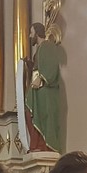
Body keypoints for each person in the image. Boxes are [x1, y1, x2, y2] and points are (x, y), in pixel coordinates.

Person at [24, 22, 62, 153]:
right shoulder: (40, 49)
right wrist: (30, 65)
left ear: (37, 33)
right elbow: (38, 66)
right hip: (37, 89)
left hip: (45, 89)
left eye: (31, 33)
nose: (30, 36)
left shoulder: (47, 46)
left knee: (44, 116)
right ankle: (36, 144)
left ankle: (43, 145)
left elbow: (51, 66)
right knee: (31, 113)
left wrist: (41, 77)